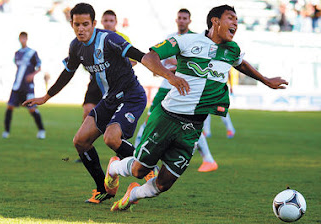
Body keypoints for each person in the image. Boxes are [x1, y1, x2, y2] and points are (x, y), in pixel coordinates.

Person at [105, 4, 288, 211]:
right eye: (231, 18)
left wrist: (266, 80)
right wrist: (169, 76)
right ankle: (113, 168)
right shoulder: (186, 41)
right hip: (167, 118)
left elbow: (240, 63)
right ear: (215, 21)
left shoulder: (232, 49)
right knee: (139, 170)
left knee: (164, 183)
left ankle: (133, 194)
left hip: (193, 127)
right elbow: (150, 57)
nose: (235, 23)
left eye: (237, 20)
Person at [22, 3, 189, 204]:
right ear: (71, 24)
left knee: (111, 138)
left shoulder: (109, 40)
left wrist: (168, 76)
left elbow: (142, 56)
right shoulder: (76, 46)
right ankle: (104, 189)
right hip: (109, 99)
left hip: (131, 96)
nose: (81, 29)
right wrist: (45, 97)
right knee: (80, 141)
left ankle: (146, 167)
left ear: (94, 23)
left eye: (85, 24)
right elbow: (68, 73)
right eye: (77, 24)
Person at [134, 8, 218, 172]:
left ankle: (208, 158)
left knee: (189, 125)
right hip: (166, 87)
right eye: (179, 18)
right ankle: (137, 155)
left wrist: (175, 64)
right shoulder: (170, 38)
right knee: (149, 120)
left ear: (189, 21)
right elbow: (160, 62)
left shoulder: (196, 39)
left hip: (183, 89)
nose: (181, 21)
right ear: (176, 20)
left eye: (184, 18)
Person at [73, 9, 137, 164]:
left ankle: (122, 149)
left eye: (111, 21)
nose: (108, 23)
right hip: (96, 81)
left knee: (115, 122)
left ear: (115, 22)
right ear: (100, 22)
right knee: (87, 110)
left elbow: (133, 60)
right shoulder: (91, 37)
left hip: (116, 84)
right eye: (105, 21)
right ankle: (86, 146)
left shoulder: (121, 38)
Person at [2, 32, 45, 139]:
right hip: (17, 85)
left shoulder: (32, 53)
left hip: (28, 87)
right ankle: (6, 131)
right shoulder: (17, 53)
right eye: (21, 38)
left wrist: (32, 74)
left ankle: (41, 130)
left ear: (27, 39)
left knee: (32, 109)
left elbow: (39, 67)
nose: (22, 40)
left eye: (24, 38)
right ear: (19, 39)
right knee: (9, 107)